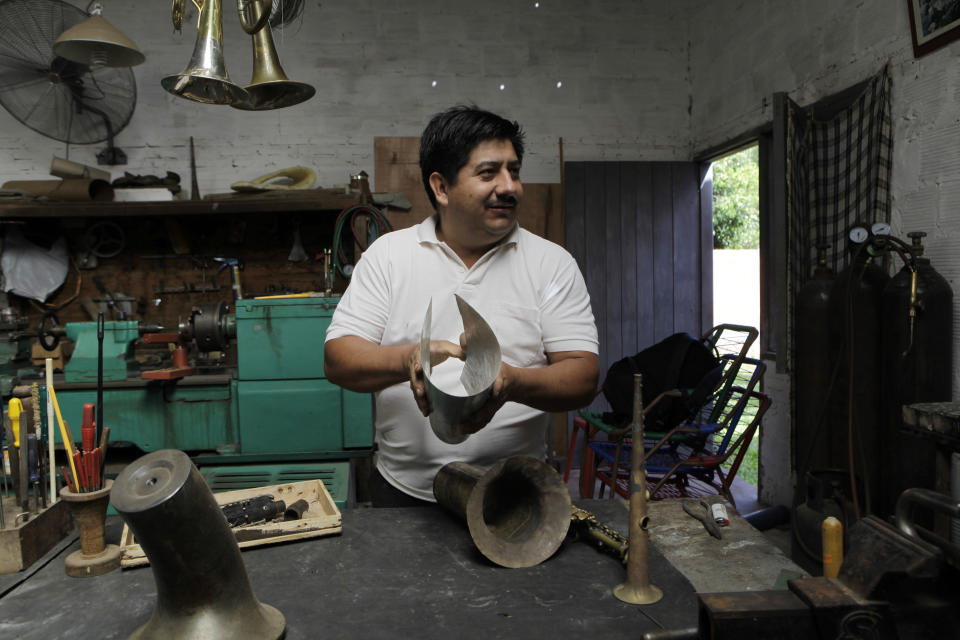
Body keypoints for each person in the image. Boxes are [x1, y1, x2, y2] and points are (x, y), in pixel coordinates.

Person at [324, 105, 599, 506]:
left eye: (514, 171)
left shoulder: (550, 263)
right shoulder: (389, 257)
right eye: (489, 173)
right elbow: (339, 360)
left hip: (516, 495)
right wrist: (409, 360)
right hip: (405, 495)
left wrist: (511, 382)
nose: (510, 187)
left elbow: (583, 376)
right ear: (441, 187)